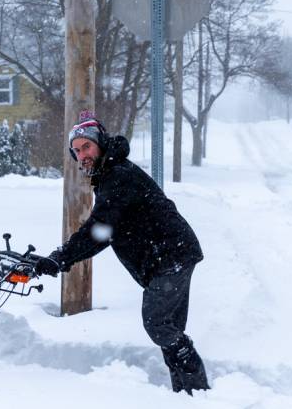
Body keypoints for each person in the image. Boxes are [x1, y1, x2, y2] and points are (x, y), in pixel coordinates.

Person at [35, 111, 209, 395]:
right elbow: (105, 231)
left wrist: (60, 258)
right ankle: (188, 393)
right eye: (76, 151)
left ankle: (198, 388)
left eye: (86, 147)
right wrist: (60, 258)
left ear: (100, 144)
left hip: (171, 255)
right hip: (167, 257)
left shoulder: (118, 176)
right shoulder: (109, 175)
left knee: (158, 323)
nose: (82, 155)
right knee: (167, 329)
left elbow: (99, 231)